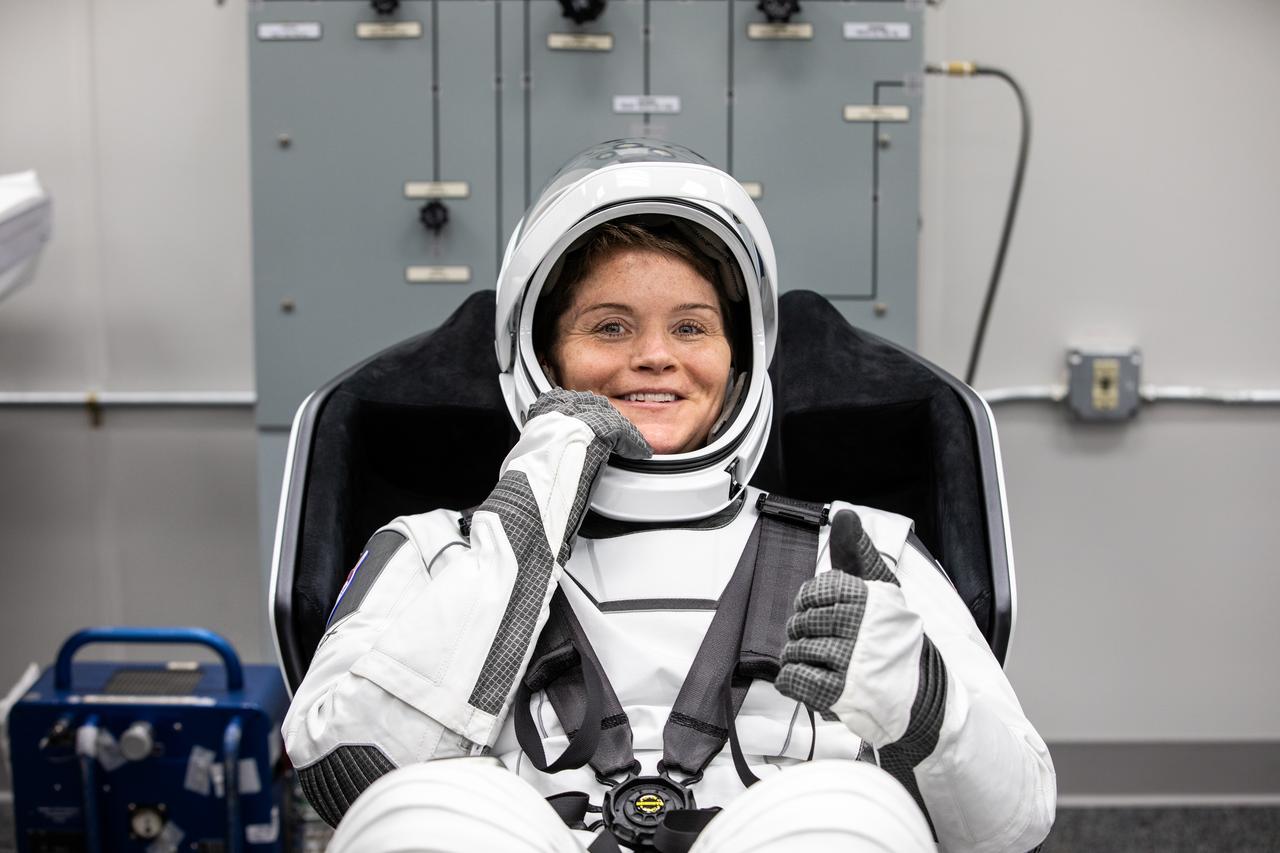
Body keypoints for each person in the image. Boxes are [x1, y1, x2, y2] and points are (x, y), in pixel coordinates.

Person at [282, 140, 1055, 852]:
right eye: (610, 327)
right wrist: (523, 517)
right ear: (543, 356)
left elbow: (1012, 822)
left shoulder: (859, 553)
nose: (655, 355)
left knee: (842, 817)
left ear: (739, 359)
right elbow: (348, 777)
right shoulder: (429, 549)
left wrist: (921, 698)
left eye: (690, 328)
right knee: (431, 819)